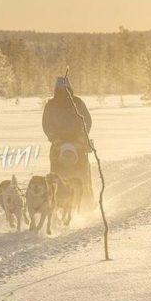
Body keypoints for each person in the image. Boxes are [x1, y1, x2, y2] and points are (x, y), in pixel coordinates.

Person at [42, 77, 95, 212]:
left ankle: (87, 201)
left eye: (65, 89)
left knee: (83, 174)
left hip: (78, 141)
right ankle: (55, 201)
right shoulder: (51, 105)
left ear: (70, 88)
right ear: (56, 89)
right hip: (58, 142)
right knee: (55, 174)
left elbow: (87, 120)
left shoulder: (77, 102)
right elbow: (46, 124)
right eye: (60, 89)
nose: (63, 92)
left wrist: (82, 136)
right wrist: (53, 138)